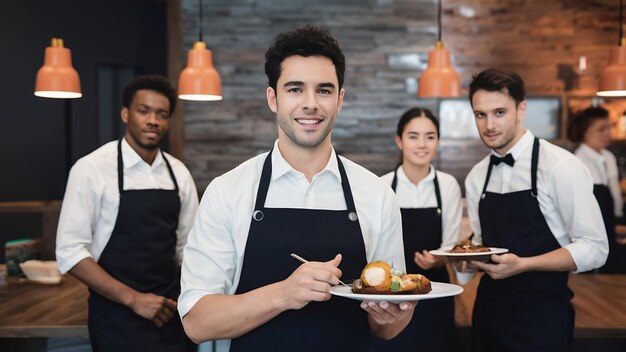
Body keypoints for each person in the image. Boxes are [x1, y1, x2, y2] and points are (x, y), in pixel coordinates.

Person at [178, 25, 415, 352]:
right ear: (272, 98)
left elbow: (387, 329)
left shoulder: (376, 196)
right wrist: (285, 294)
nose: (310, 104)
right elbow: (196, 322)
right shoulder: (228, 192)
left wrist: (391, 317)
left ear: (340, 100)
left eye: (324, 90)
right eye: (295, 89)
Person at [460, 68, 608, 352]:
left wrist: (525, 264)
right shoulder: (476, 176)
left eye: (499, 112)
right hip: (488, 317)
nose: (489, 124)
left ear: (521, 109)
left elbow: (595, 248)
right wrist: (468, 259)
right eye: (480, 114)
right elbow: (480, 243)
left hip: (542, 321)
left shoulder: (560, 166)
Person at [55, 75, 199, 351]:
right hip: (116, 318)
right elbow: (70, 252)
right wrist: (134, 299)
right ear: (125, 114)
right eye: (143, 111)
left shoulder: (178, 173)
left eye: (162, 114)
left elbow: (188, 248)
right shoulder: (92, 169)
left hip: (170, 313)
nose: (153, 121)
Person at [375, 107, 462, 351]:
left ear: (438, 141)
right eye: (413, 136)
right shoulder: (382, 186)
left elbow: (451, 244)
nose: (422, 144)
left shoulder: (448, 185)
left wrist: (439, 259)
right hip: (390, 297)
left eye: (430, 136)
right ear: (399, 141)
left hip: (435, 291)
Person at [568, 106, 624, 274]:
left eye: (609, 127)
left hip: (612, 229)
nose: (608, 133)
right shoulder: (577, 161)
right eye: (601, 129)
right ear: (585, 132)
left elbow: (613, 195)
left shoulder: (608, 157)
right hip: (594, 234)